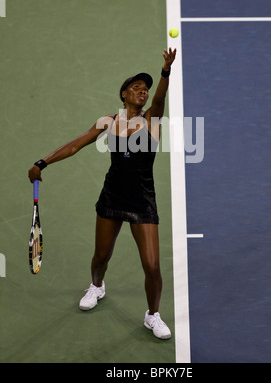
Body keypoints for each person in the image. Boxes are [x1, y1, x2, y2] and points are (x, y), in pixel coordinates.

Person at [28, 47, 176, 339]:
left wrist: (165, 71)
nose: (143, 93)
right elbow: (75, 144)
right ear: (124, 94)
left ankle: (153, 315)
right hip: (111, 198)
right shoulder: (108, 121)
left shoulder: (152, 121)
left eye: (145, 90)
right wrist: (42, 162)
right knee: (101, 257)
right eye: (137, 88)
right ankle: (97, 286)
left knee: (152, 266)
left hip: (142, 202)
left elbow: (160, 98)